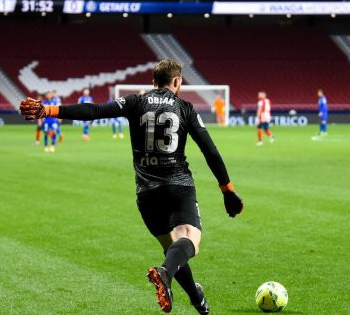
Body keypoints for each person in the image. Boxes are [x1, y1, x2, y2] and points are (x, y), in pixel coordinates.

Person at [19, 59, 243, 314]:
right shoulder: (185, 107)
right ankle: (164, 273)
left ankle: (197, 299)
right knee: (189, 239)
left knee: (172, 248)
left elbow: (93, 111)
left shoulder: (136, 101)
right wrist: (227, 189)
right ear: (177, 81)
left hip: (146, 194)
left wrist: (47, 110)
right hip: (178, 186)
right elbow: (210, 150)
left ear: (152, 82)